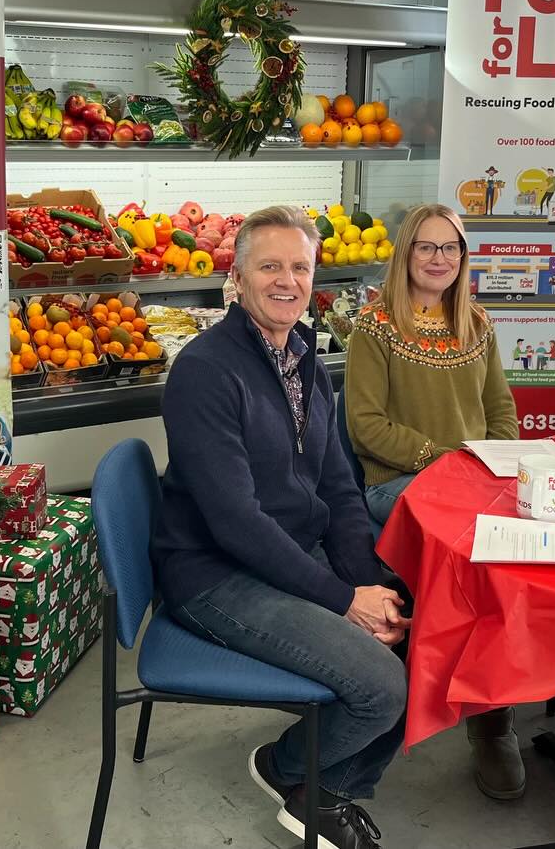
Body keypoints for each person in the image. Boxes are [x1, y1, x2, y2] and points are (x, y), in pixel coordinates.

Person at [155, 205, 406, 849]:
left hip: (290, 553)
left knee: (417, 637)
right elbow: (236, 523)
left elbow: (338, 490)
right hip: (213, 574)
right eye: (269, 265)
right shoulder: (206, 371)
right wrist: (345, 601)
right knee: (381, 686)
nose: (286, 280)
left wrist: (365, 585)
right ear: (236, 279)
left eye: (300, 265)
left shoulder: (307, 363)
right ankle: (288, 769)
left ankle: (321, 794)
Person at [342, 202, 523, 801]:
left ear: (464, 257)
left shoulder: (478, 323)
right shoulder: (375, 328)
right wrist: (448, 462)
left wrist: (496, 467)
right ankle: (479, 715)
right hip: (396, 486)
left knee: (520, 556)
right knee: (477, 561)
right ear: (405, 254)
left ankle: (499, 702)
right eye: (427, 246)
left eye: (451, 248)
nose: (439, 258)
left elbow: (500, 411)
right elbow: (366, 426)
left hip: (474, 481)